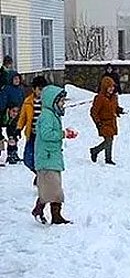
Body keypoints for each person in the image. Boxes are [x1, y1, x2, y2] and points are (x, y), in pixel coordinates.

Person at [33, 85, 77, 225]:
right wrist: (63, 134)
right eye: (61, 101)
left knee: (52, 188)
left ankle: (45, 211)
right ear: (52, 101)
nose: (63, 104)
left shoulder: (52, 115)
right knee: (53, 189)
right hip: (47, 158)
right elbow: (46, 134)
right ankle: (49, 213)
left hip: (52, 157)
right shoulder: (47, 116)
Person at [17, 76, 48, 174]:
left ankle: (42, 176)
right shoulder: (28, 101)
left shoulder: (48, 102)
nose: (41, 92)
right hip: (32, 134)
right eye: (39, 89)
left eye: (43, 89)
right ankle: (37, 173)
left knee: (42, 158)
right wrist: (19, 128)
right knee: (28, 159)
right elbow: (23, 117)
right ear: (34, 89)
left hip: (43, 135)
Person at [89, 76, 119, 165]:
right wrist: (98, 122)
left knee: (109, 140)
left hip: (112, 122)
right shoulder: (99, 98)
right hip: (103, 122)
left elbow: (115, 107)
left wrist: (119, 110)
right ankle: (106, 157)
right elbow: (94, 112)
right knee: (109, 140)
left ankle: (97, 152)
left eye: (112, 87)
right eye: (109, 87)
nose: (112, 89)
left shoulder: (114, 97)